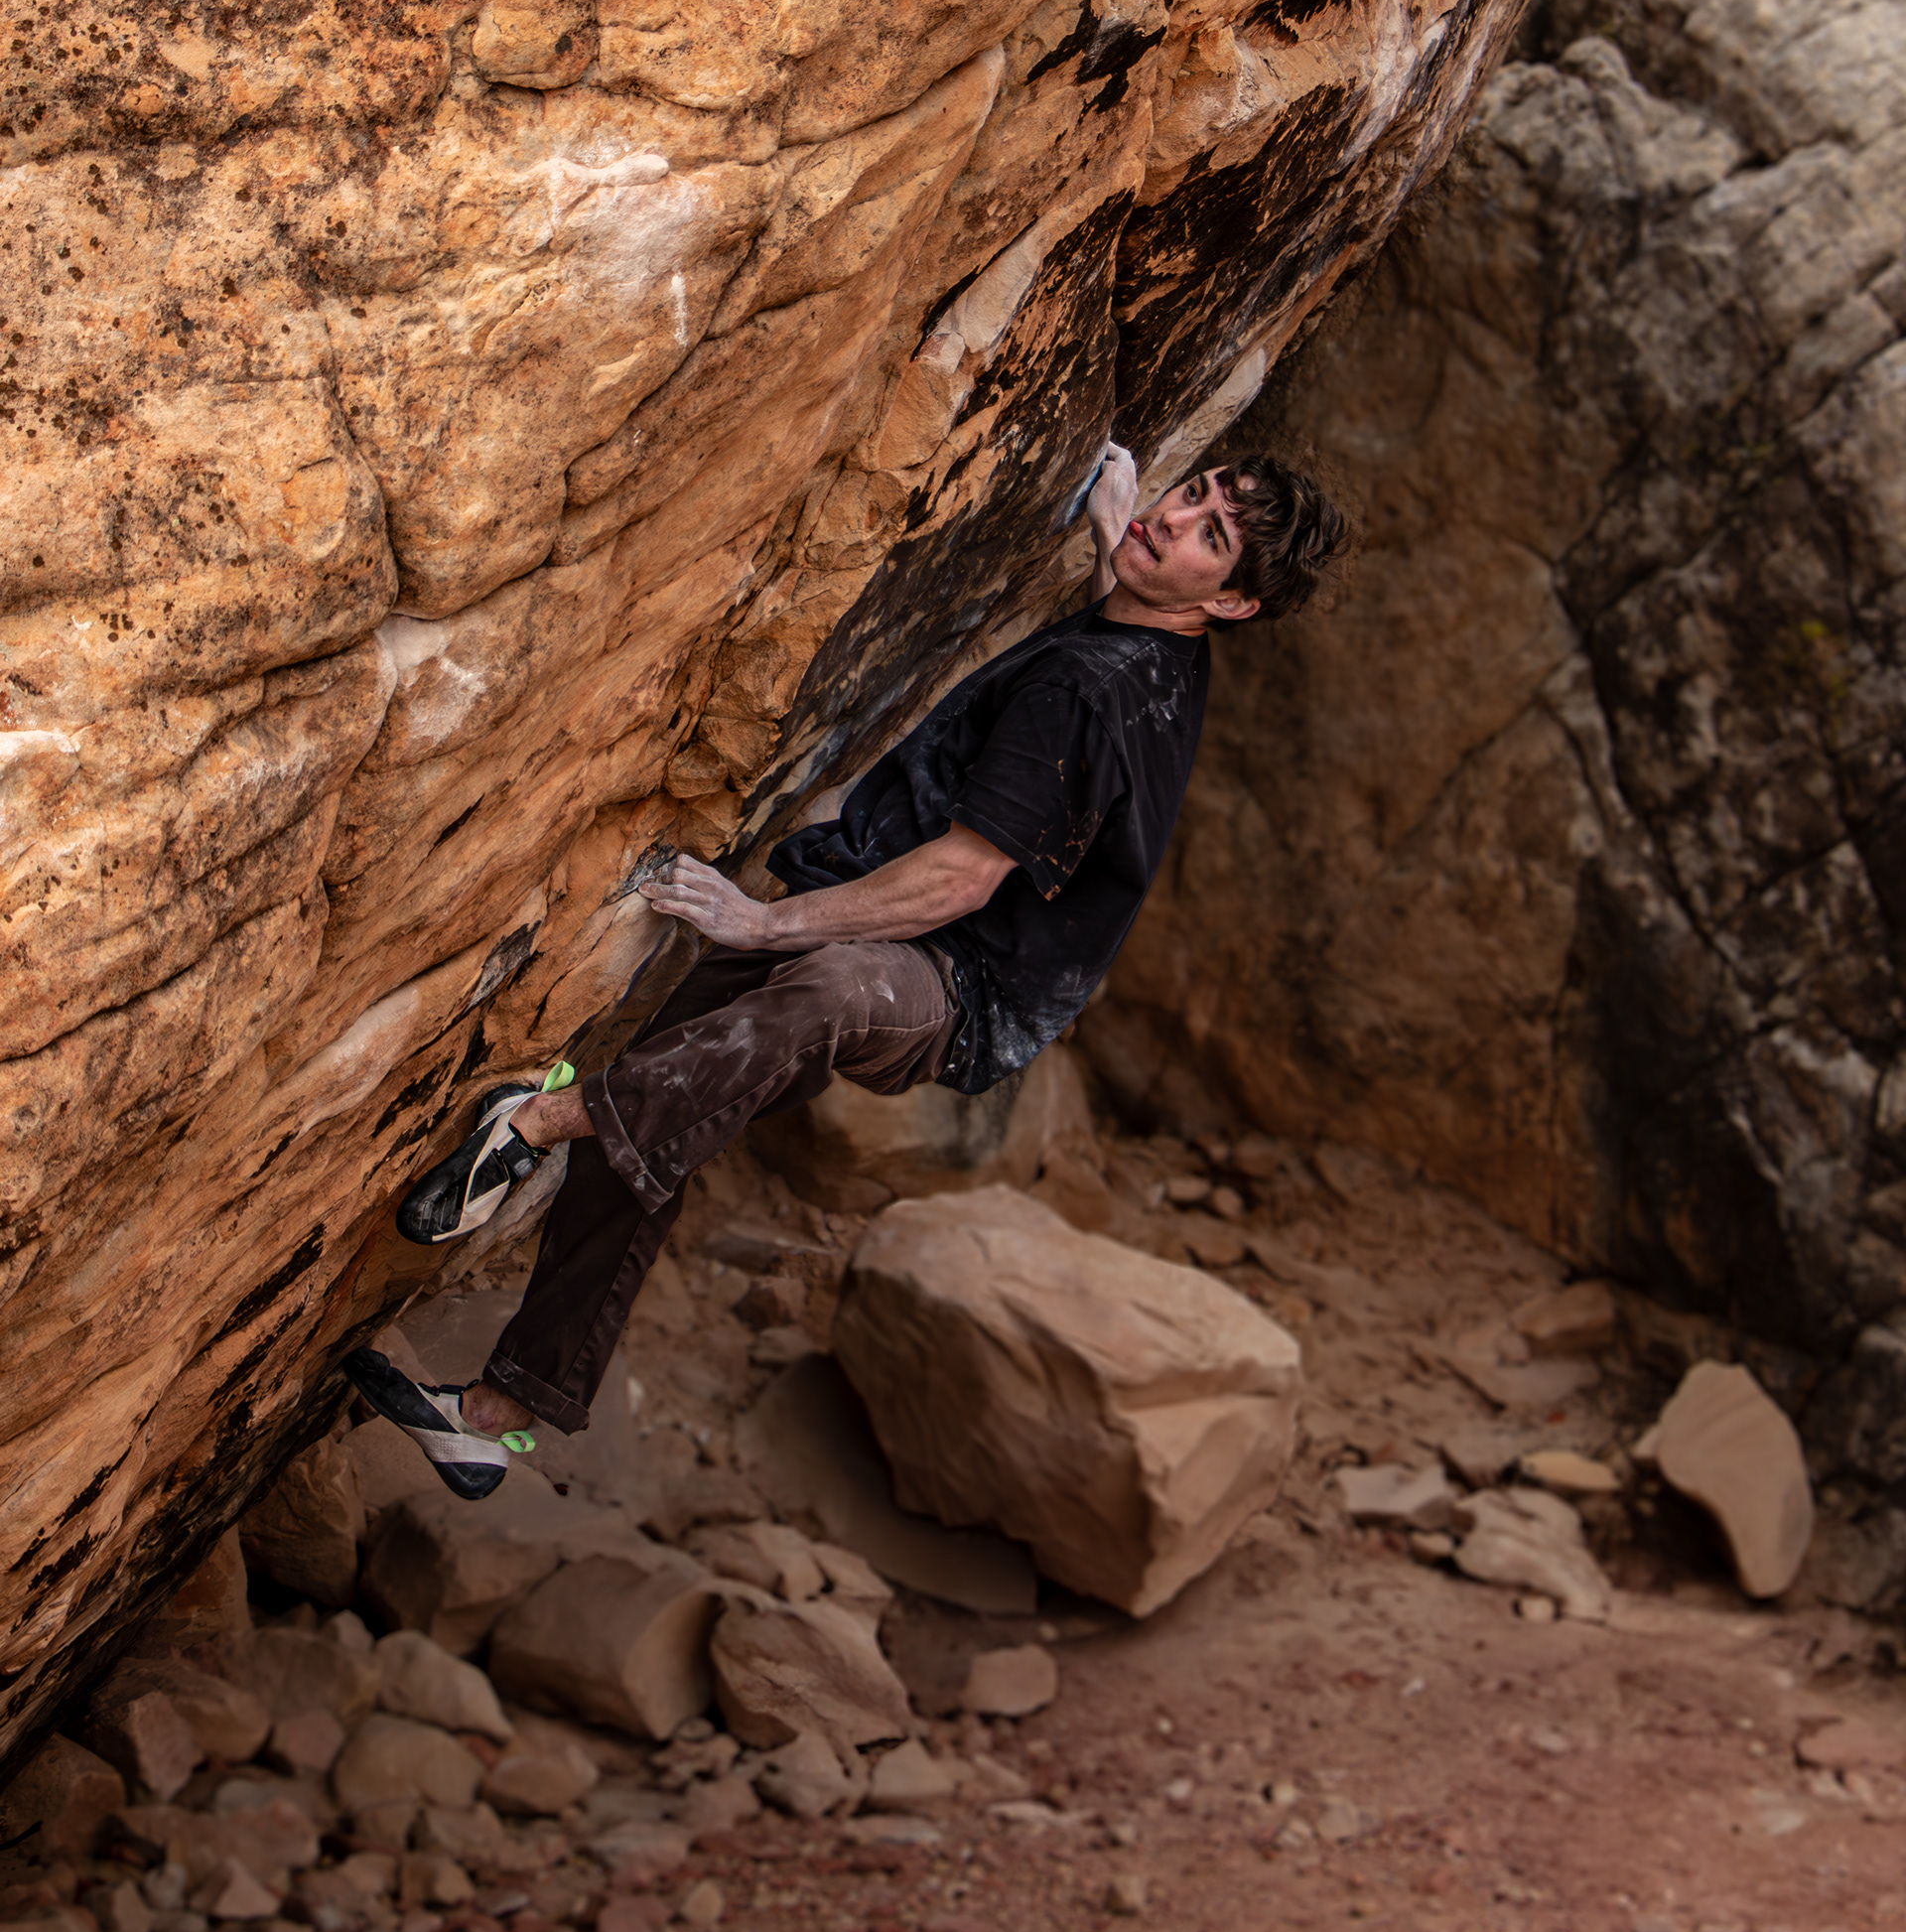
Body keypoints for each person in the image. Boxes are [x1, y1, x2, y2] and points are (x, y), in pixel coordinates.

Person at [342, 444, 1347, 1496]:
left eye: (1211, 537)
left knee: (822, 992)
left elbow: (960, 878)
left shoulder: (1090, 696)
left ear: (1230, 604)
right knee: (670, 1095)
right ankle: (494, 1416)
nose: (1177, 520)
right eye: (1195, 494)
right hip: (894, 911)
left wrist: (758, 924)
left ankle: (534, 1125)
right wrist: (1117, 528)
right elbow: (1119, 616)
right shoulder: (1162, 645)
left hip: (957, 981)